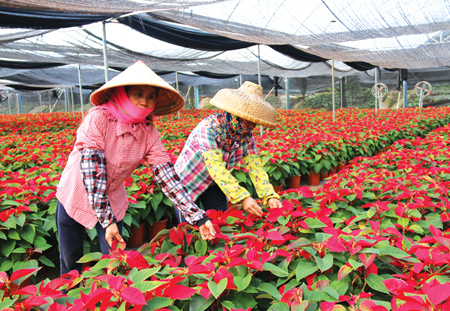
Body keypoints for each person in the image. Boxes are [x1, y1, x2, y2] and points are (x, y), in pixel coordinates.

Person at [55, 61, 215, 276]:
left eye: (150, 96)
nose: (145, 101)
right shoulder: (97, 118)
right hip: (75, 192)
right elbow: (93, 173)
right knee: (70, 256)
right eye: (138, 93)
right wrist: (106, 220)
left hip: (113, 196)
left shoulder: (148, 131)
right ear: (122, 93)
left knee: (115, 261)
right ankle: (65, 298)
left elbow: (167, 175)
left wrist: (198, 217)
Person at [174, 81, 283, 224]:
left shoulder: (245, 135)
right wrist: (242, 197)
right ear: (235, 113)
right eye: (249, 118)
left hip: (214, 184)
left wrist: (269, 195)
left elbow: (255, 167)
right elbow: (217, 169)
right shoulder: (208, 129)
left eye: (255, 120)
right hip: (187, 183)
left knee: (221, 224)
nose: (253, 125)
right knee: (189, 228)